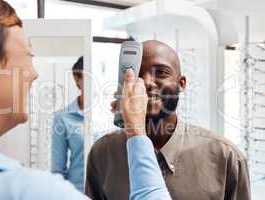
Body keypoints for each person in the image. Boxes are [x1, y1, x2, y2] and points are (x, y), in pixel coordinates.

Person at [0, 0, 171, 199]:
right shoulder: (30, 191)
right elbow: (58, 168)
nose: (34, 73)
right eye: (28, 57)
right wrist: (136, 131)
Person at [85, 40, 251, 200]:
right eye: (138, 74)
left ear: (181, 84)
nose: (148, 82)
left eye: (162, 72)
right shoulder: (102, 154)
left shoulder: (226, 157)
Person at [51, 56, 100, 192]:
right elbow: (57, 170)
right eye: (89, 76)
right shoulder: (62, 117)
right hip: (77, 192)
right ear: (77, 79)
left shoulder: (110, 113)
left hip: (108, 192)